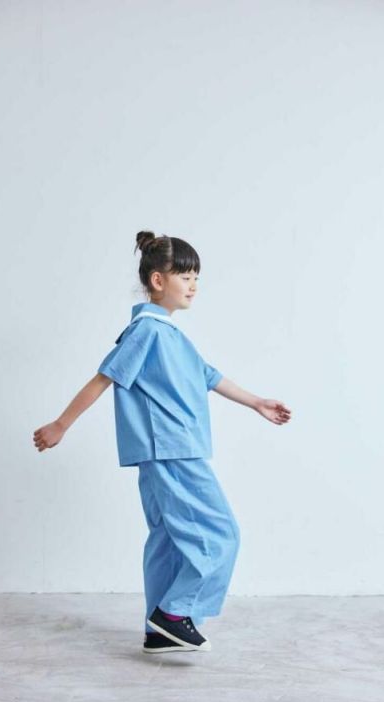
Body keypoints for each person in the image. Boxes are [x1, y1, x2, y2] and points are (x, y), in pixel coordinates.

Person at [32, 231, 292, 654]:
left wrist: (257, 402)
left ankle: (158, 630)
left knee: (168, 539)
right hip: (171, 449)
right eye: (185, 277)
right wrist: (61, 424)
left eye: (196, 278)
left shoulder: (170, 334)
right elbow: (105, 377)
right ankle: (174, 613)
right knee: (220, 533)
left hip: (168, 450)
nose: (193, 286)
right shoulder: (147, 331)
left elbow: (209, 376)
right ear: (158, 280)